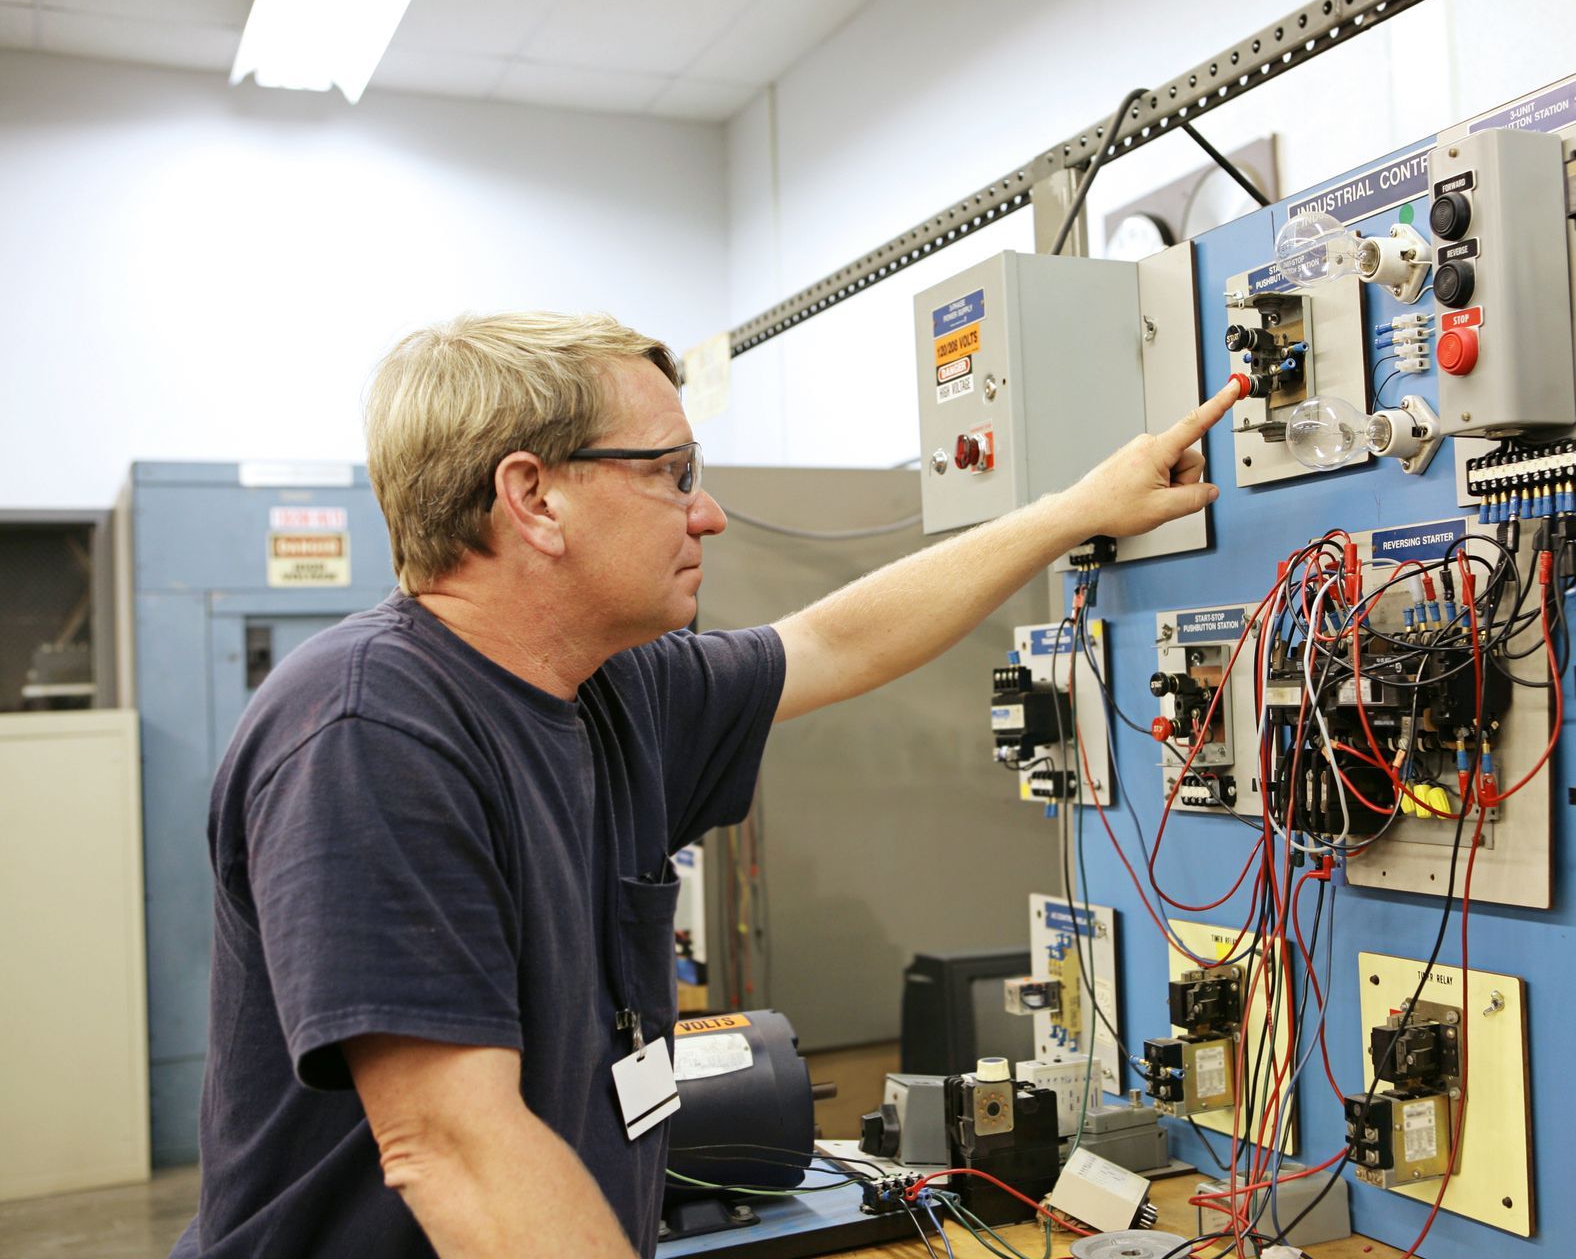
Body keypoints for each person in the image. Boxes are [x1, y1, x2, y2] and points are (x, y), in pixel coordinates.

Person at [171, 311, 1237, 1258]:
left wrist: (1072, 511)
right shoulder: (370, 729)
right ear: (533, 495)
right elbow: (452, 1144)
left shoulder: (612, 690)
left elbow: (833, 637)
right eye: (673, 472)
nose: (708, 511)